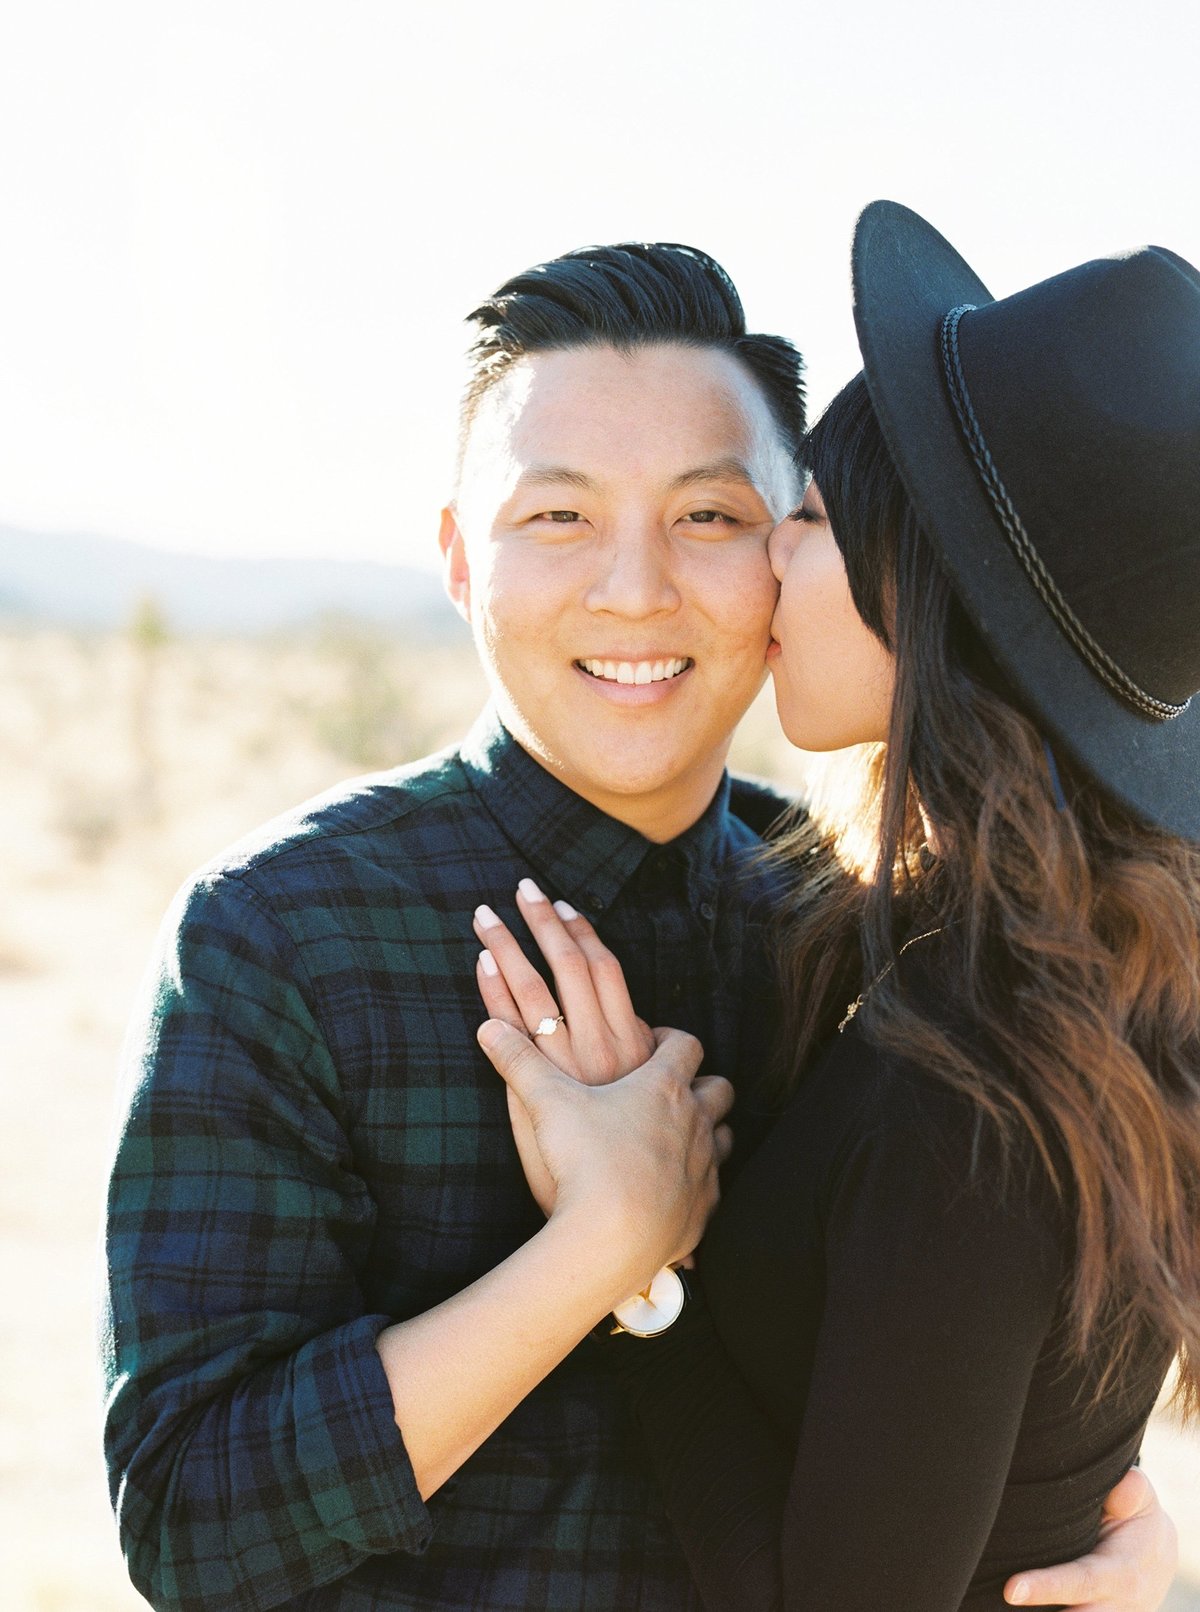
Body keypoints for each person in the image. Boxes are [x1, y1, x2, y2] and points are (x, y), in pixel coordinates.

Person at [100, 239, 1179, 1612]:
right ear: (455, 556)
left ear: (795, 543)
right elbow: (190, 1524)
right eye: (558, 519)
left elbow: (978, 1382)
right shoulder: (279, 938)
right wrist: (599, 1253)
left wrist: (1114, 1542)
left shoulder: (856, 932)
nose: (633, 590)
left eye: (712, 518)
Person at [471, 205, 1200, 1610]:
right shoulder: (1045, 975)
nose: (765, 568)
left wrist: (643, 1267)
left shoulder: (974, 1094)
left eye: (803, 518)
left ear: (920, 601)